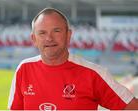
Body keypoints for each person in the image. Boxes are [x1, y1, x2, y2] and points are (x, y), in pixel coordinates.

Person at [8, 7, 138, 110]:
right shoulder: (24, 69)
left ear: (68, 35)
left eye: (56, 31)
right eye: (42, 33)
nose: (49, 38)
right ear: (34, 39)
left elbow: (132, 107)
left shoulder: (93, 74)